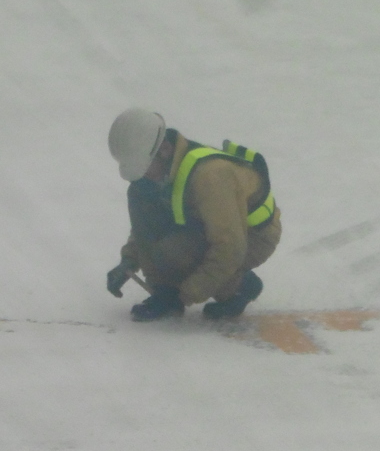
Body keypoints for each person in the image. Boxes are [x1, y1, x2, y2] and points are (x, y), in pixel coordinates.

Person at [105, 108, 282, 321]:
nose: (144, 175)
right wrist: (129, 261)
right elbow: (147, 226)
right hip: (207, 223)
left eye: (145, 167)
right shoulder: (164, 171)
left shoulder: (211, 177)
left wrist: (183, 296)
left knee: (174, 254)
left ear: (165, 150)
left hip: (252, 235)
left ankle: (238, 287)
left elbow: (230, 247)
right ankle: (164, 288)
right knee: (139, 193)